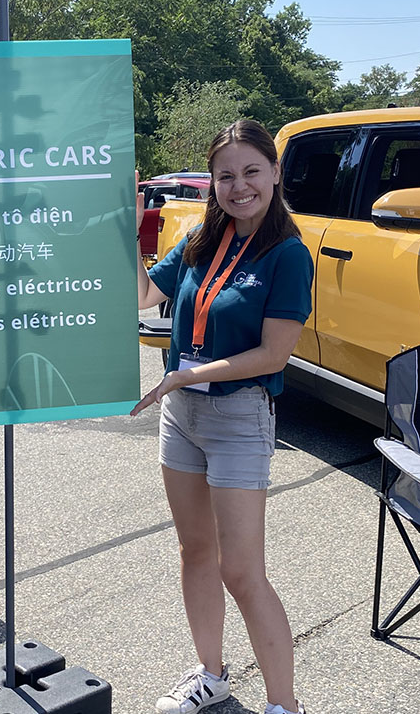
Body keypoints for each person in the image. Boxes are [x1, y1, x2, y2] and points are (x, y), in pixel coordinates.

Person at [133, 119, 313, 714]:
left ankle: (283, 703)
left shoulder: (289, 254)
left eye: (251, 172)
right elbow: (141, 297)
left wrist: (188, 372)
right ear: (212, 182)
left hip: (239, 416)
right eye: (226, 176)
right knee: (195, 553)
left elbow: (273, 353)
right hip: (180, 414)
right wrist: (125, 231)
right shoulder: (198, 241)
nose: (239, 187)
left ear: (274, 172)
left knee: (242, 571)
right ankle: (210, 674)